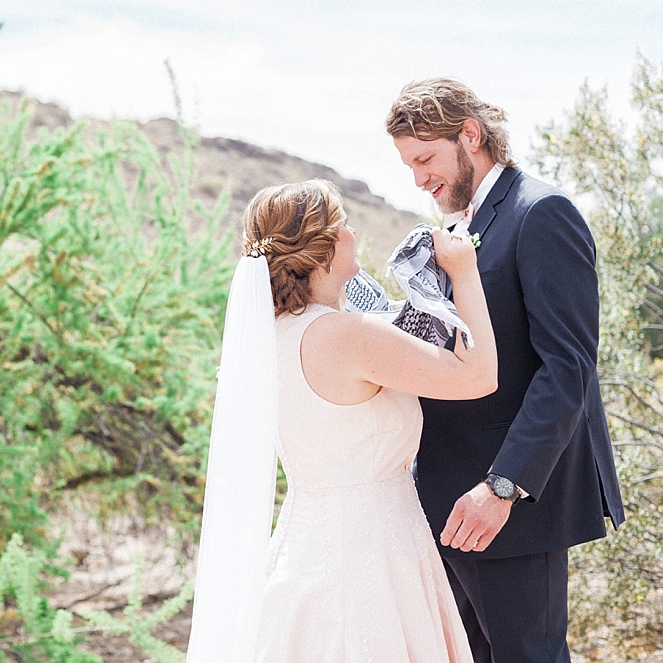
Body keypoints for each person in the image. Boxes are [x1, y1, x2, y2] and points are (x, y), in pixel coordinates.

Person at [187, 178, 497, 662]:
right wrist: (464, 272)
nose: (354, 232)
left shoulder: (267, 338)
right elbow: (478, 376)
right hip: (373, 554)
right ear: (325, 249)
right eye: (345, 224)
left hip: (304, 547)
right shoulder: (349, 336)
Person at [386, 77, 626, 663]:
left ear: (470, 134)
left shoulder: (542, 213)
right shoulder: (459, 228)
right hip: (444, 499)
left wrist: (502, 487)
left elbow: (567, 369)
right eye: (408, 164)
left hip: (507, 504)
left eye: (425, 158)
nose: (418, 178)